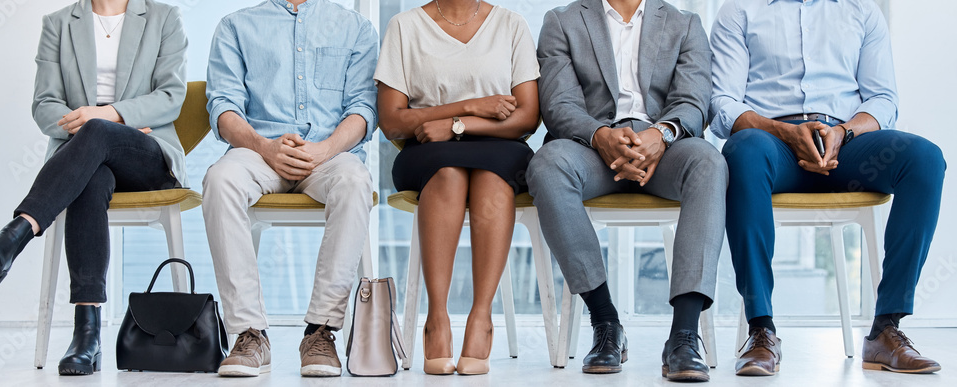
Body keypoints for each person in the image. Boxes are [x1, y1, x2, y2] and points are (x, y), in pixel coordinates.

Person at [710, 0, 945, 376]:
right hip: (774, 144)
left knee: (924, 159)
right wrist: (782, 131)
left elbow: (883, 99)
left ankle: (886, 328)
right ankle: (761, 330)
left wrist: (843, 132)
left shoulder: (862, 11)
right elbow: (722, 102)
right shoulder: (739, 10)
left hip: (847, 146)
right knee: (743, 151)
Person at [0, 0, 187, 376]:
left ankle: (15, 235)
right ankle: (87, 335)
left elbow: (170, 94)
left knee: (97, 132)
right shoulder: (57, 23)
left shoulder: (164, 17)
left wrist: (105, 117)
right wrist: (85, 126)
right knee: (92, 176)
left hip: (146, 152)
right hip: (82, 157)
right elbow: (44, 104)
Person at [529, 0, 724, 381]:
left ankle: (684, 335)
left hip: (665, 147)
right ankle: (605, 321)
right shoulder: (562, 21)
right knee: (547, 166)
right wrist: (600, 136)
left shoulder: (684, 24)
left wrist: (660, 135)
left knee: (709, 163)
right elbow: (558, 104)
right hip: (592, 148)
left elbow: (694, 101)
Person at [202, 0, 377, 378]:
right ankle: (250, 333)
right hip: (259, 151)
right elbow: (222, 106)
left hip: (328, 154)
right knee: (220, 179)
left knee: (355, 180)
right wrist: (264, 147)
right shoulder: (235, 26)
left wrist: (325, 149)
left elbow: (363, 108)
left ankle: (321, 331)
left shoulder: (356, 28)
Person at [375, 0, 540, 376]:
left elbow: (527, 117)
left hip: (499, 144)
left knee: (491, 180)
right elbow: (392, 121)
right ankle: (437, 316)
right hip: (427, 150)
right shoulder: (405, 27)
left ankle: (481, 315)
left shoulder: (511, 25)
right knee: (448, 174)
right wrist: (470, 106)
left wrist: (459, 125)